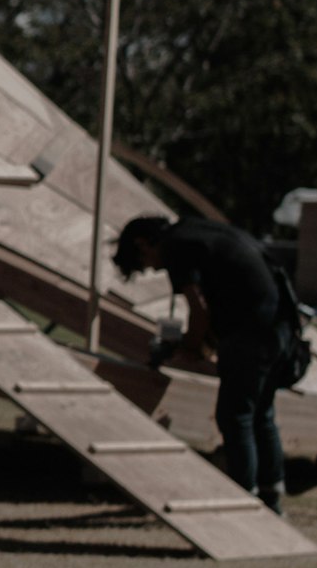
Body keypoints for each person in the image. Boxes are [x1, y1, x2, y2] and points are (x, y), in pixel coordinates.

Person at [113, 212, 300, 515]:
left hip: (251, 330)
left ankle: (244, 500)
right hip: (279, 323)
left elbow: (198, 309)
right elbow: (224, 293)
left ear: (142, 243)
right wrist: (207, 341)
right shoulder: (197, 230)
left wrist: (191, 346)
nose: (150, 267)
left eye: (143, 260)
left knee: (234, 415)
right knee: (261, 413)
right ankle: (271, 496)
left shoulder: (176, 246)